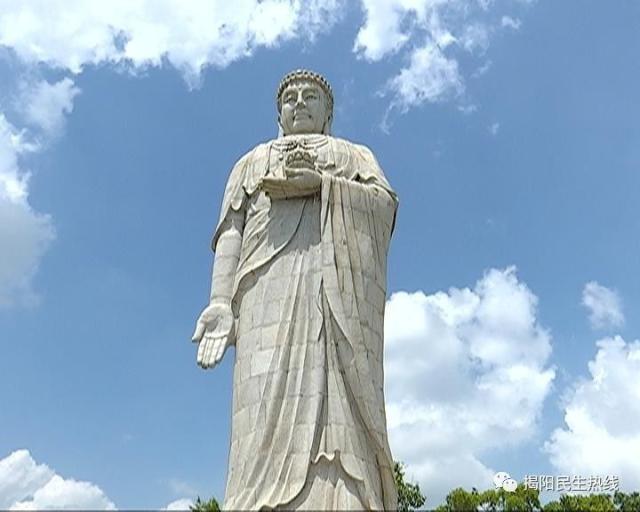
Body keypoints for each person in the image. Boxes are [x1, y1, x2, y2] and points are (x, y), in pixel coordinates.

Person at [192, 69, 399, 510]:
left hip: (333, 289)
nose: (300, 103)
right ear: (279, 114)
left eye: (311, 97)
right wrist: (220, 302)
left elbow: (384, 207)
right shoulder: (252, 161)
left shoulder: (354, 155)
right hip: (265, 289)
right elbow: (231, 230)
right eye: (291, 98)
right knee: (260, 405)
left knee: (336, 398)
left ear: (328, 113)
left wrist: (322, 186)